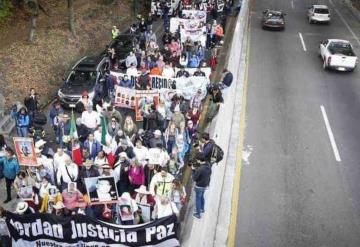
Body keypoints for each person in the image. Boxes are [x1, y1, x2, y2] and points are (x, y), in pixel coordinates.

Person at [192, 154, 212, 219]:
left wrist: (193, 170)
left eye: (197, 160)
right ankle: (202, 209)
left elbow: (194, 178)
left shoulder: (200, 169)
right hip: (205, 185)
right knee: (202, 197)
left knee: (198, 199)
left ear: (200, 160)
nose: (197, 161)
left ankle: (198, 214)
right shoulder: (208, 165)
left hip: (199, 186)